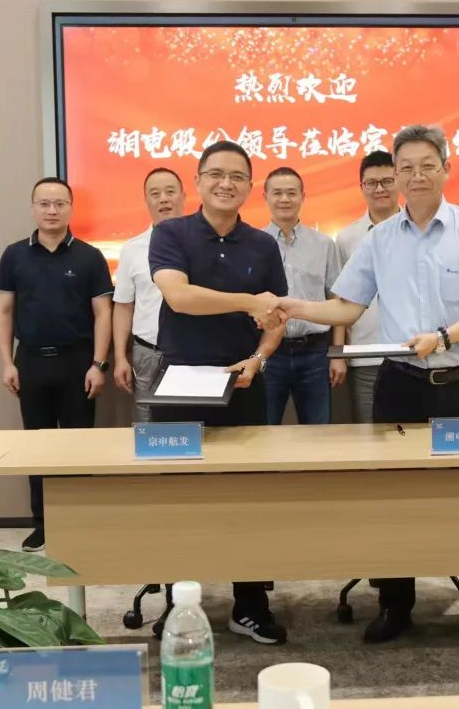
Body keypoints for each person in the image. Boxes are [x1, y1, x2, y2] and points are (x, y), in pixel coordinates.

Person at [261, 124, 459, 643]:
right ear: (396, 175)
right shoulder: (379, 240)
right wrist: (293, 307)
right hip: (401, 385)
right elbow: (347, 306)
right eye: (407, 168)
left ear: (446, 169)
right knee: (394, 494)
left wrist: (444, 336)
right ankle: (395, 604)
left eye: (427, 165)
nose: (416, 176)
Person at [148, 140, 289, 645]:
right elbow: (179, 297)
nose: (225, 183)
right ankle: (178, 604)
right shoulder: (171, 232)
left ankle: (250, 605)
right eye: (215, 174)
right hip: (180, 385)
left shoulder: (263, 245)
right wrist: (249, 300)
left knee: (248, 498)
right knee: (178, 498)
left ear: (250, 186)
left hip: (243, 382)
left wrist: (260, 357)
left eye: (236, 176)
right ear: (199, 180)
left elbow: (275, 319)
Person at [0, 177, 113, 552]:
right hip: (30, 361)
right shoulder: (14, 255)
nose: (52, 210)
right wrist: (6, 363)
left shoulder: (89, 257)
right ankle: (42, 524)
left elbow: (103, 313)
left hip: (78, 362)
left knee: (78, 447)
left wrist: (99, 364)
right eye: (44, 203)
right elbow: (4, 310)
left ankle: (78, 522)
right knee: (37, 448)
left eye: (60, 203)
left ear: (70, 208)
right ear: (33, 208)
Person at [261, 167, 344, 425]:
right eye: (277, 193)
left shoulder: (324, 244)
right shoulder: (253, 243)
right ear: (265, 197)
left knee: (318, 431)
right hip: (268, 352)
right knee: (261, 429)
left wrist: (337, 355)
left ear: (303, 197)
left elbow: (338, 301)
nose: (284, 199)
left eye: (291, 193)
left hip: (315, 353)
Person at [112, 167, 186, 420]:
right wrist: (120, 357)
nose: (163, 199)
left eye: (170, 191)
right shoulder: (132, 249)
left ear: (183, 196)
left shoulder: (203, 243)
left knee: (197, 424)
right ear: (146, 201)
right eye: (155, 194)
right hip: (148, 353)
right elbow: (123, 306)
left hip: (194, 352)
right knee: (150, 426)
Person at [335, 151, 401, 422]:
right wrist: (338, 353)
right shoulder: (347, 237)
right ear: (361, 187)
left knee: (413, 435)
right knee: (367, 433)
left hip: (412, 354)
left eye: (387, 181)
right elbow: (340, 299)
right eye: (372, 183)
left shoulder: (419, 230)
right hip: (365, 354)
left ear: (399, 181)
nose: (379, 189)